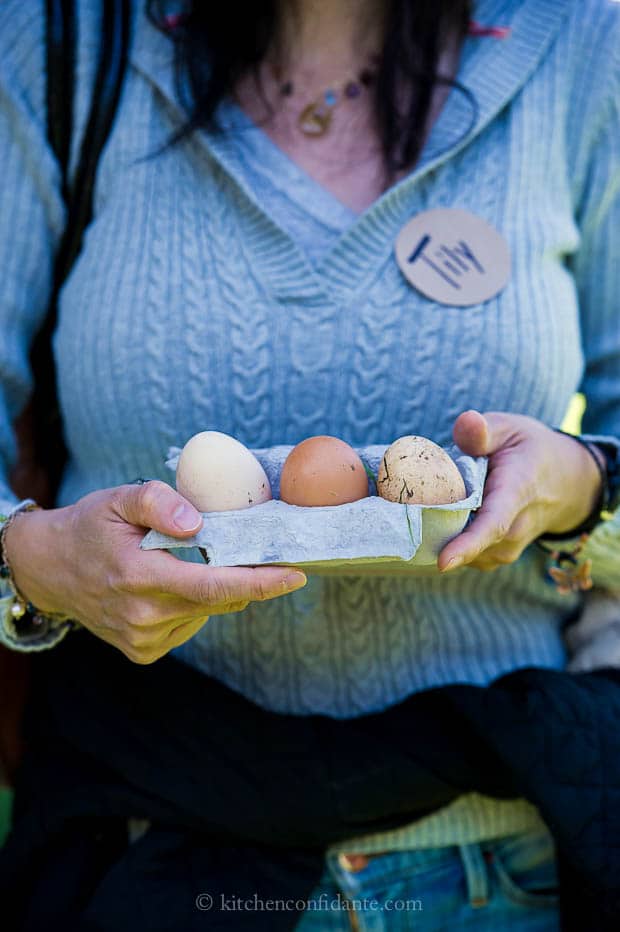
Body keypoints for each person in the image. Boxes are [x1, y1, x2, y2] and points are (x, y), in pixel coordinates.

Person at [0, 0, 619, 928]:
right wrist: (31, 563)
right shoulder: (61, 39)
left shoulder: (583, 43)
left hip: (504, 856)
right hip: (145, 846)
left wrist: (583, 491)